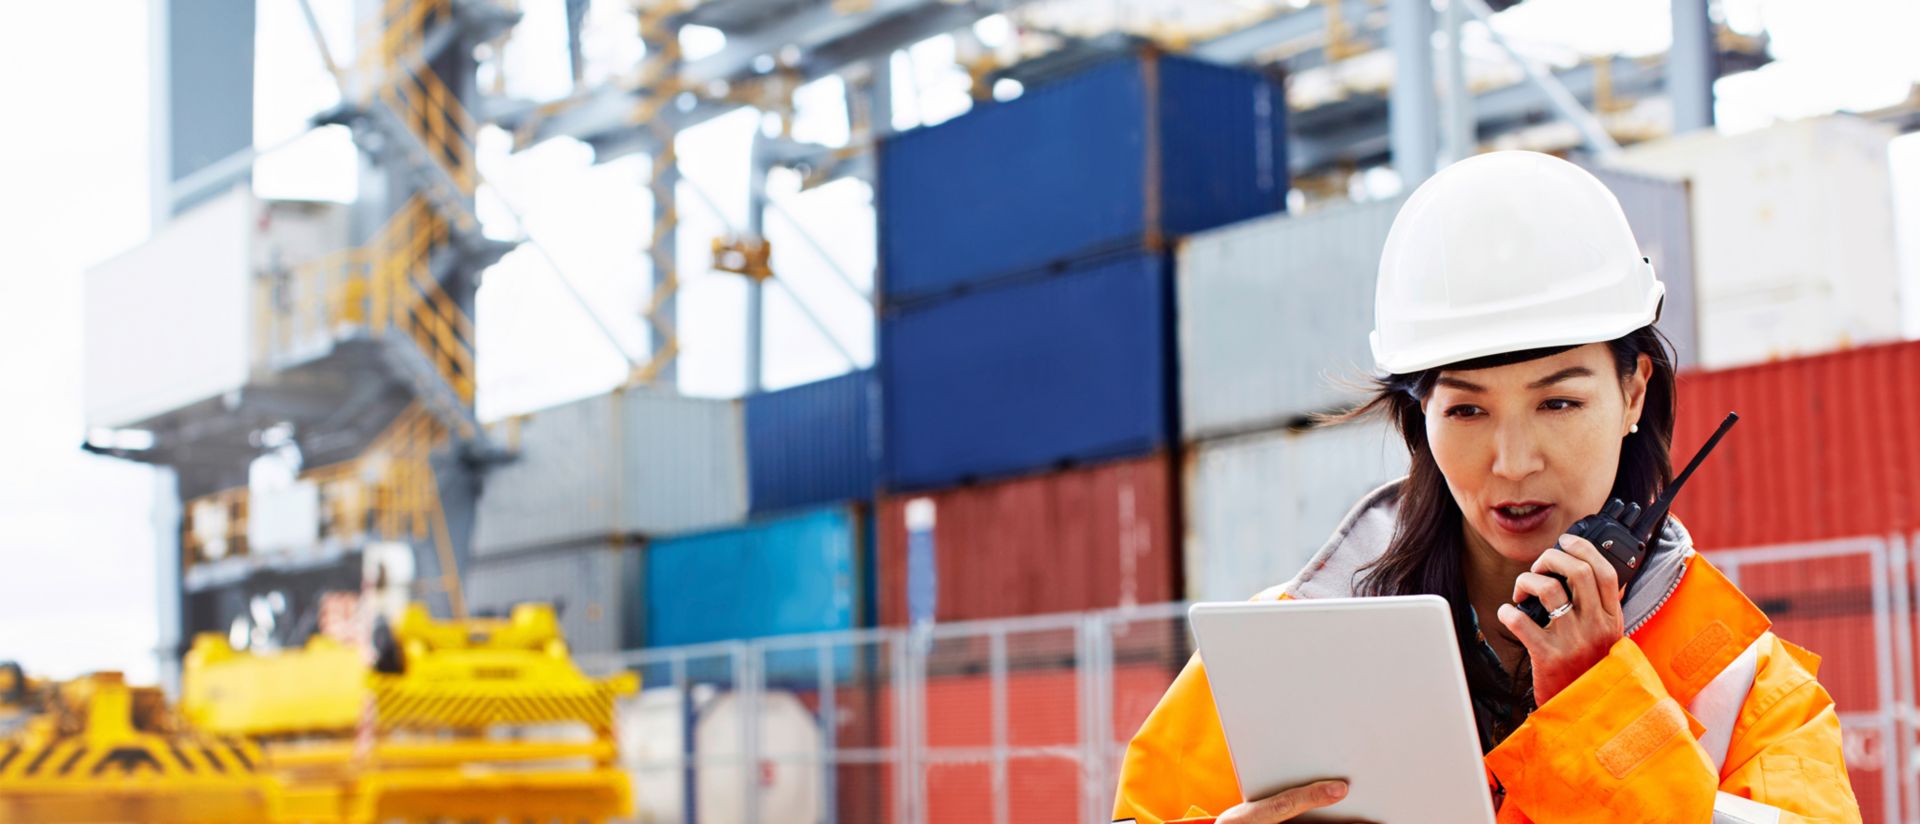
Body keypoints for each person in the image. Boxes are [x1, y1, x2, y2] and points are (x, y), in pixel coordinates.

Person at [1112, 152, 1861, 823]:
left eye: (1558, 403)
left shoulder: (1744, 686)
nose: (1511, 461)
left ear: (1634, 393)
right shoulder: (1281, 648)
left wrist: (1600, 704)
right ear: (1420, 417)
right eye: (1467, 409)